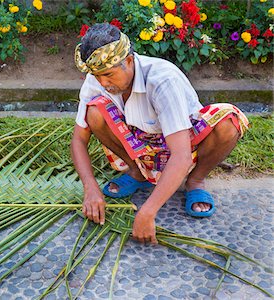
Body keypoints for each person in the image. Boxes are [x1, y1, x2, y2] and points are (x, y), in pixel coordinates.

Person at [70, 23, 249, 244]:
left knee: (227, 124)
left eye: (108, 75)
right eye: (97, 76)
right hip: (139, 144)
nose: (103, 83)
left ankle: (196, 181)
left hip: (186, 142)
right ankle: (137, 172)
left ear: (128, 61)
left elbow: (181, 155)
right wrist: (90, 188)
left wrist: (147, 212)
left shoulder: (163, 79)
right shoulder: (96, 79)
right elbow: (79, 139)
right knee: (94, 112)